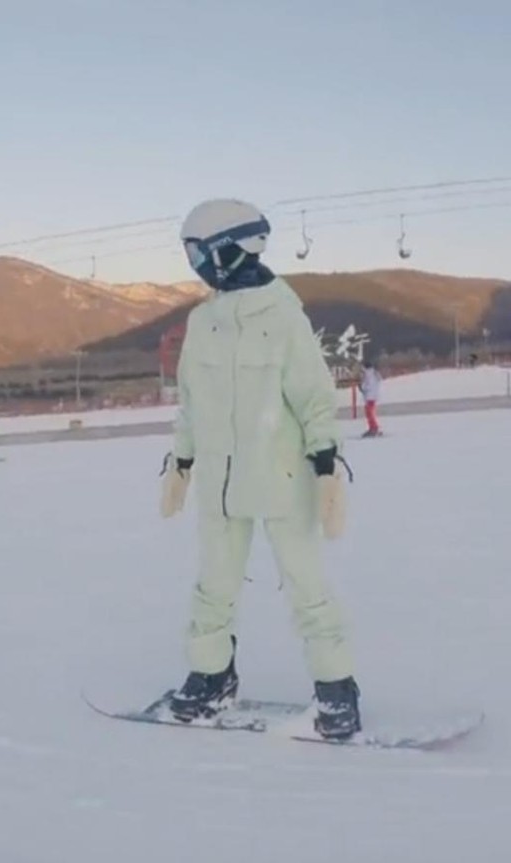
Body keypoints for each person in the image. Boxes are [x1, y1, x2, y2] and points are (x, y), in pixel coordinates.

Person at [158, 198, 361, 740]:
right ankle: (212, 677)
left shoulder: (283, 317)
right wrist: (180, 461)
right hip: (221, 485)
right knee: (212, 587)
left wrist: (325, 465)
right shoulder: (202, 323)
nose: (195, 264)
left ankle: (337, 690)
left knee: (307, 586)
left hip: (282, 480)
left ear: (230, 249)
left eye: (200, 251)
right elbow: (191, 403)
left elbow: (315, 398)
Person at [359, 361, 382, 437]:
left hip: (370, 396)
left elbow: (368, 386)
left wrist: (362, 387)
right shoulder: (374, 374)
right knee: (370, 413)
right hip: (372, 396)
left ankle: (374, 428)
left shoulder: (369, 375)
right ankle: (372, 427)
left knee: (369, 413)